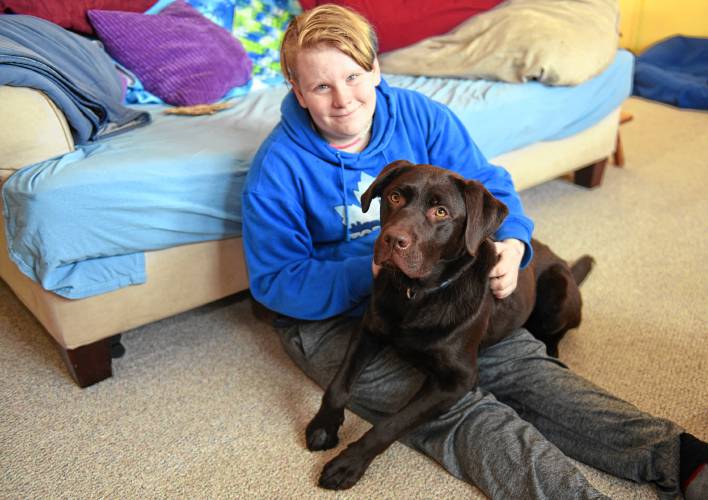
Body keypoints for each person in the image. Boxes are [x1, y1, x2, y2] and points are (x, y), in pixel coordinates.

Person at [241, 5, 707, 499]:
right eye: (320, 87)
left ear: (376, 67)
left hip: (442, 289)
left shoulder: (422, 116)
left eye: (354, 76)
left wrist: (514, 242)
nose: (342, 100)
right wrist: (373, 267)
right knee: (457, 411)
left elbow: (488, 187)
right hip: (331, 313)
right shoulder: (276, 169)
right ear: (296, 89)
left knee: (526, 369)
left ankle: (682, 460)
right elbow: (277, 283)